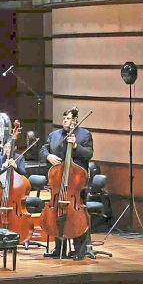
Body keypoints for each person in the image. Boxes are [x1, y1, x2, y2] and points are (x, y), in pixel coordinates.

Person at [41, 107, 94, 260]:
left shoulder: (85, 135)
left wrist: (76, 146)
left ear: (75, 120)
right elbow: (43, 149)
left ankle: (79, 250)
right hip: (59, 182)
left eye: (68, 118)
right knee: (57, 212)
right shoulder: (54, 135)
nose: (65, 121)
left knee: (77, 215)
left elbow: (89, 154)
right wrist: (48, 156)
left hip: (77, 183)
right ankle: (59, 248)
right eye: (64, 118)